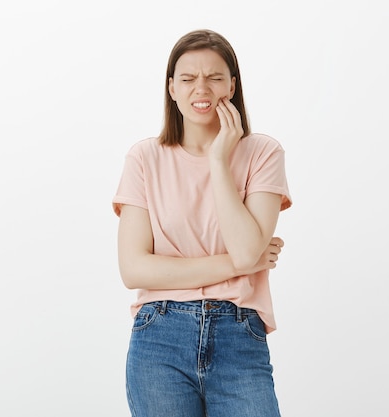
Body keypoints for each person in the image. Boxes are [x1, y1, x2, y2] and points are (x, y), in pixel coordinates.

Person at [112, 29, 292, 417]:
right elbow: (134, 269)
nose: (202, 89)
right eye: (189, 78)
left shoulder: (263, 153)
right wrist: (238, 264)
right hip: (160, 337)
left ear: (232, 85)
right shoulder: (144, 158)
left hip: (239, 333)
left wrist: (217, 160)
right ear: (172, 88)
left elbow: (247, 250)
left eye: (214, 77)